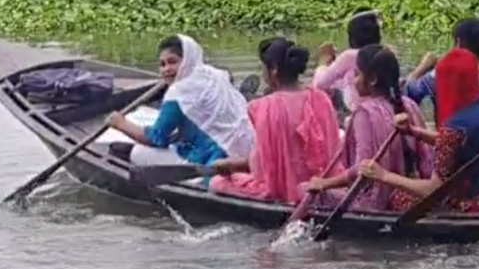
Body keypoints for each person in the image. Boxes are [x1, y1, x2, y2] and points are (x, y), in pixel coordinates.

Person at [361, 48, 479, 213]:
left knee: (399, 198)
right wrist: (414, 132)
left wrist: (383, 175)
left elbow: (432, 190)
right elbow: (461, 144)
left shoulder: (455, 127)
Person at [210, 38, 342, 204]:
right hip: (325, 186)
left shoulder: (264, 106)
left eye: (263, 68)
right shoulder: (321, 98)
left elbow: (261, 168)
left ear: (273, 70)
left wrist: (233, 166)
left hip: (282, 192)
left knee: (217, 183)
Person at [302, 45, 434, 211]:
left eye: (357, 74)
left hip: (378, 201)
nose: (354, 81)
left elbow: (361, 170)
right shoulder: (410, 104)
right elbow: (427, 160)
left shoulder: (364, 113)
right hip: (413, 191)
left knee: (303, 191)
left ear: (372, 80)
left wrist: (324, 183)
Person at [106, 35, 255, 173]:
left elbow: (156, 139)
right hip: (247, 153)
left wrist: (121, 123)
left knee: (136, 152)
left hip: (213, 160)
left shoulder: (178, 93)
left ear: (187, 61)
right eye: (162, 64)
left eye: (172, 62)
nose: (166, 69)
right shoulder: (217, 74)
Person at [405, 18, 479, 109]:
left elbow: (409, 92)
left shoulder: (441, 75)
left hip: (456, 132)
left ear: (458, 43)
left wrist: (423, 67)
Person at [312, 8, 382, 112]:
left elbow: (320, 84)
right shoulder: (385, 52)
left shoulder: (349, 56)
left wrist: (323, 63)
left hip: (354, 109)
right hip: (380, 106)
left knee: (319, 85)